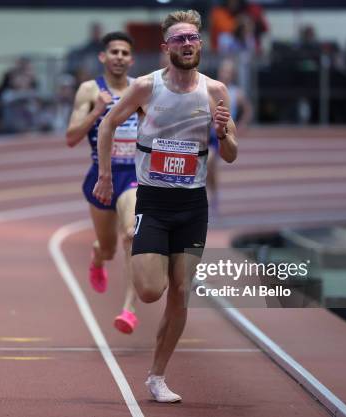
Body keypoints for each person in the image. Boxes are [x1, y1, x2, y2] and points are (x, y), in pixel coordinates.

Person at [93, 10, 238, 403]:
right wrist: (105, 175)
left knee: (180, 291)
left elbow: (231, 154)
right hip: (153, 203)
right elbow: (107, 125)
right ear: (166, 48)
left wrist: (223, 133)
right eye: (179, 39)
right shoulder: (145, 87)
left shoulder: (215, 92)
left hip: (193, 205)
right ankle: (132, 255)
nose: (187, 44)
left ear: (200, 44)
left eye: (192, 38)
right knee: (151, 290)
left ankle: (157, 377)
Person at [65, 32, 140, 334]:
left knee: (131, 235)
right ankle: (98, 257)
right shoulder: (88, 90)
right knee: (109, 248)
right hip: (101, 175)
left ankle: (129, 310)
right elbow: (71, 138)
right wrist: (98, 110)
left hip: (133, 175)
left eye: (125, 52)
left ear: (131, 59)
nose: (119, 57)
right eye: (114, 52)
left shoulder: (141, 89)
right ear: (103, 57)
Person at [207, 57, 252, 217]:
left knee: (210, 162)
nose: (225, 74)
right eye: (223, 71)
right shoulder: (212, 87)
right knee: (206, 166)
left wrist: (240, 126)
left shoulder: (236, 93)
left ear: (233, 75)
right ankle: (211, 195)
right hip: (209, 133)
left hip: (223, 134)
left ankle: (213, 195)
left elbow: (248, 110)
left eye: (229, 72)